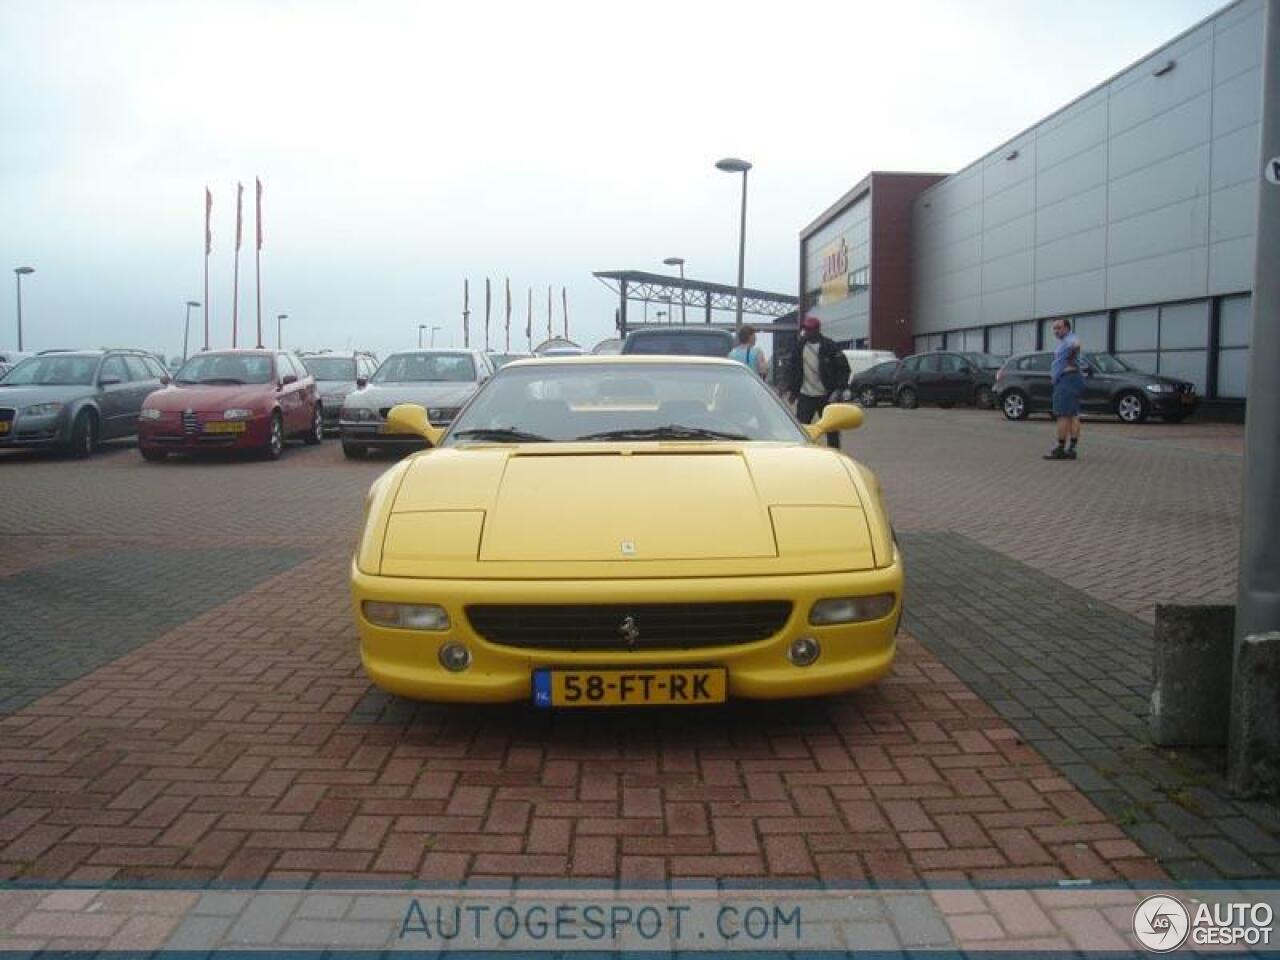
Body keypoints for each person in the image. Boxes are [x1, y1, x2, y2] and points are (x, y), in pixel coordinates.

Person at [785, 315, 849, 449]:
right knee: (801, 428)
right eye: (805, 329)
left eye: (810, 329)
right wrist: (792, 390)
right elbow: (793, 368)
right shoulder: (799, 346)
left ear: (817, 330)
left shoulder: (830, 346)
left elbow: (843, 368)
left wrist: (840, 388)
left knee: (831, 429)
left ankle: (835, 452)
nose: (806, 332)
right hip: (805, 395)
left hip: (826, 396)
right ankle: (801, 453)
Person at [1045, 317, 1085, 460]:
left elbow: (1076, 344)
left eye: (1059, 327)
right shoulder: (1066, 340)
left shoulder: (1070, 338)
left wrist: (1070, 358)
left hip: (1067, 380)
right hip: (1072, 379)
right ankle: (1071, 449)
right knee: (1073, 414)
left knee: (1063, 415)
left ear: (1067, 328)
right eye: (1054, 328)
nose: (1056, 331)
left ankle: (1060, 448)